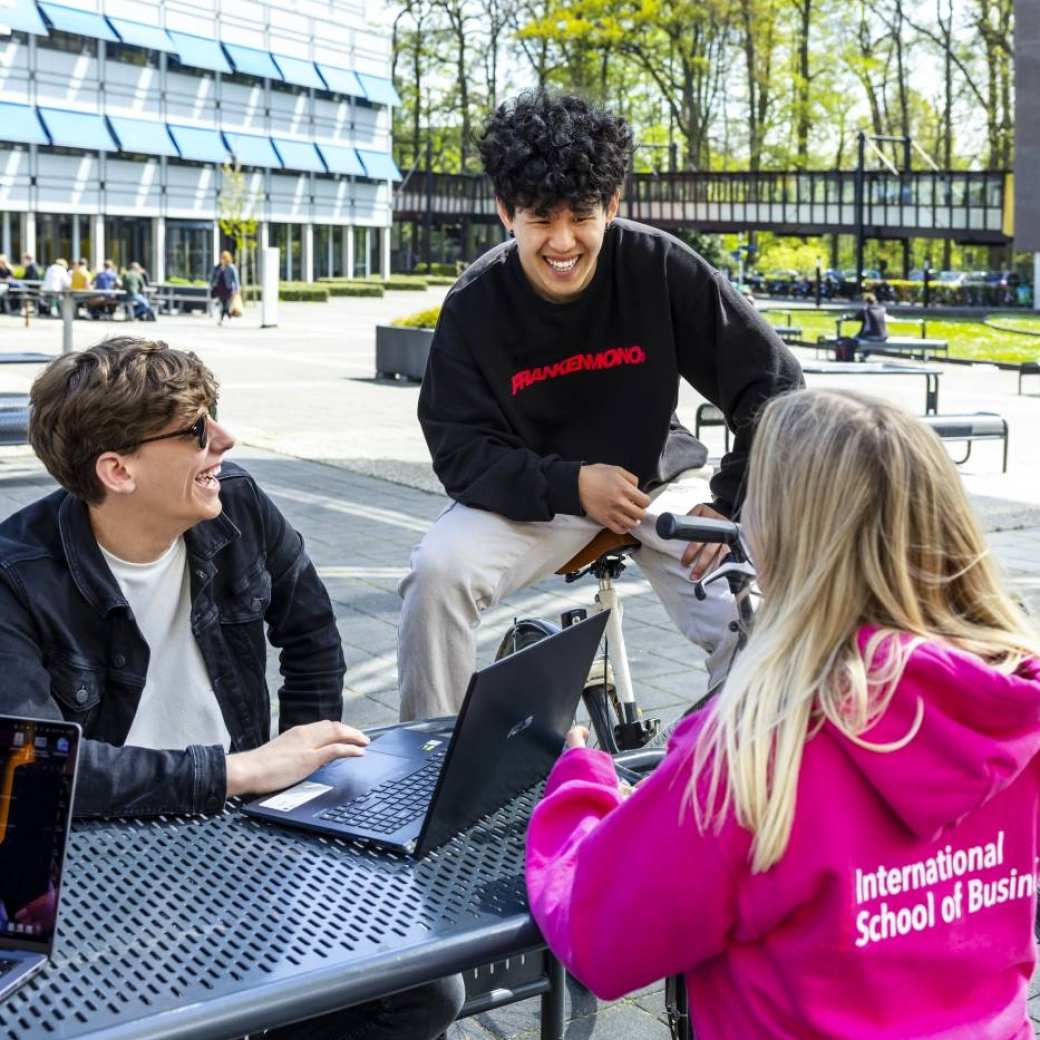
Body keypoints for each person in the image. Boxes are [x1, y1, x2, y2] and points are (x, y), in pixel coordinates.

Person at [527, 388, 1040, 1039]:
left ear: (776, 532)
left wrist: (580, 783)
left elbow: (598, 933)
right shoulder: (1015, 703)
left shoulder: (757, 746)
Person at [0, 337, 464, 1040]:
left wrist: (311, 770)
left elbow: (310, 631)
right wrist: (239, 771)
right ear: (117, 469)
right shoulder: (17, 578)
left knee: (423, 991)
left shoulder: (237, 503)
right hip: (97, 857)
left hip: (242, 822)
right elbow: (34, 774)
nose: (224, 438)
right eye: (195, 430)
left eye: (213, 414)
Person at [398, 91, 802, 721]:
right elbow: (459, 449)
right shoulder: (476, 303)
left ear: (613, 205)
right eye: (539, 218)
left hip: (656, 482)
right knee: (437, 573)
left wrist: (727, 498)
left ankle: (737, 764)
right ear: (506, 211)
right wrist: (570, 484)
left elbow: (774, 384)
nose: (562, 242)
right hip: (534, 497)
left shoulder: (660, 267)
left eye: (581, 215)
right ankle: (429, 763)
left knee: (750, 611)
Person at [210, 250, 240, 324]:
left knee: (225, 303)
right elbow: (213, 277)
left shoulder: (231, 267)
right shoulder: (218, 267)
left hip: (228, 288)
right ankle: (228, 314)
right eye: (221, 258)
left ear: (227, 258)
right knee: (223, 304)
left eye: (224, 258)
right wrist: (211, 284)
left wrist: (237, 289)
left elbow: (236, 279)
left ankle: (222, 318)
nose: (222, 259)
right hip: (220, 288)